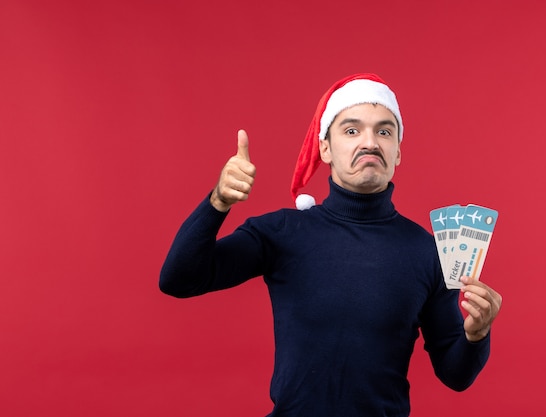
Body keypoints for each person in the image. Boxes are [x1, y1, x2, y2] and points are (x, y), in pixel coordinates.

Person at [160, 73, 502, 417]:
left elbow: (456, 375)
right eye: (351, 131)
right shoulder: (282, 231)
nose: (370, 142)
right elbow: (179, 279)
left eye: (384, 131)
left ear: (398, 151)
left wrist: (477, 335)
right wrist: (218, 201)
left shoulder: (428, 253)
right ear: (325, 148)